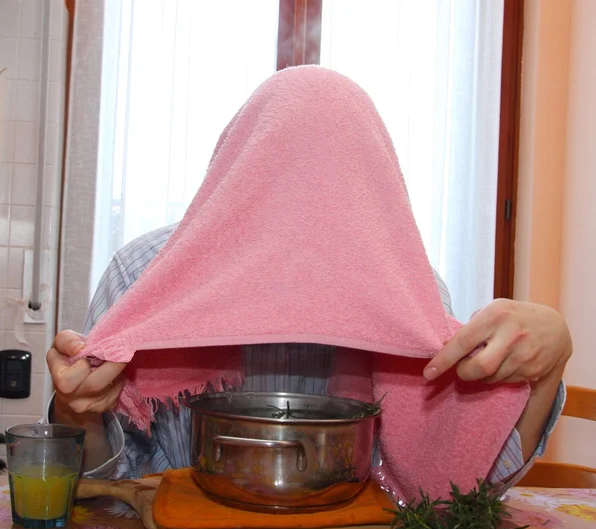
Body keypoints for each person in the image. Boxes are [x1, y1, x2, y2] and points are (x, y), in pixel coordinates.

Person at [46, 68, 571, 488]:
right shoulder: (144, 274)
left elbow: (456, 479)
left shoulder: (406, 290)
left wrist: (551, 359)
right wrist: (78, 411)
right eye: (277, 170)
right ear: (236, 172)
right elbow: (99, 478)